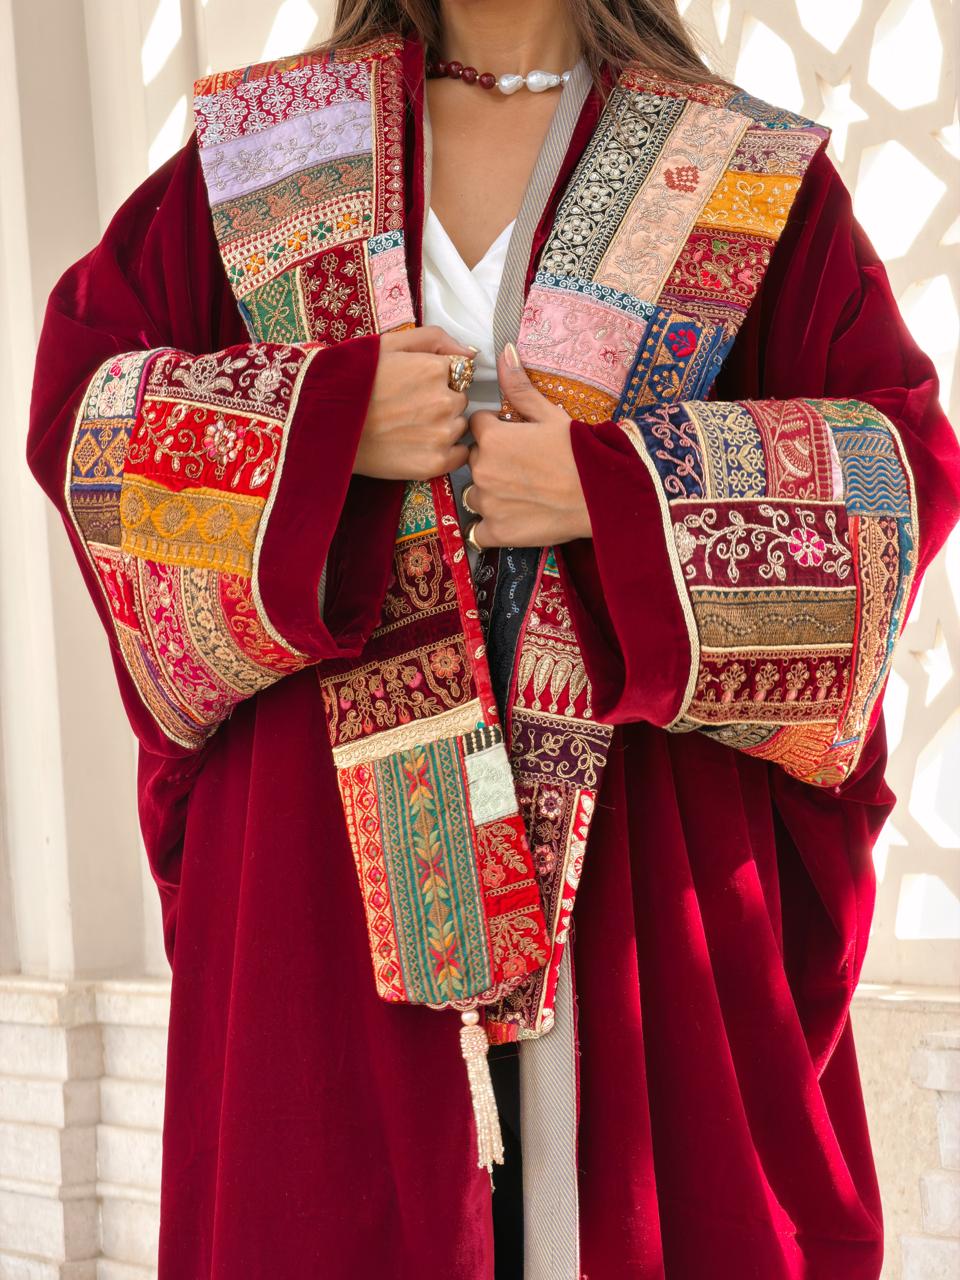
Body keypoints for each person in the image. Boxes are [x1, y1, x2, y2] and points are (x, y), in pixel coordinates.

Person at [26, 1, 960, 1276]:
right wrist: (325, 429)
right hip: (328, 859)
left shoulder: (734, 166)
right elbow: (88, 421)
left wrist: (616, 495)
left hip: (642, 864)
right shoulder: (271, 152)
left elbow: (895, 474)